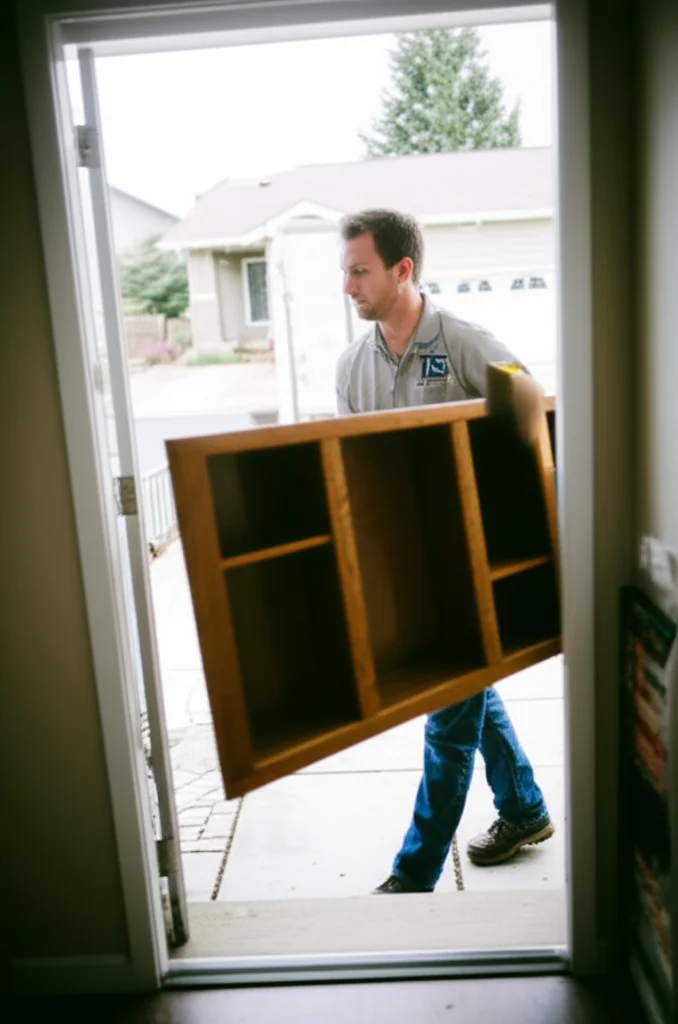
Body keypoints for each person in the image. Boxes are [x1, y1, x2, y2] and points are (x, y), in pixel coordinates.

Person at [336, 208, 554, 894]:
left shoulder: (463, 341)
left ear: (403, 269)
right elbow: (357, 468)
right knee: (467, 689)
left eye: (360, 270)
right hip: (411, 569)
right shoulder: (351, 367)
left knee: (447, 719)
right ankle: (524, 808)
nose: (348, 286)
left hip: (470, 565)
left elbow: (532, 409)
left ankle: (415, 874)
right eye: (345, 271)